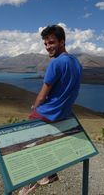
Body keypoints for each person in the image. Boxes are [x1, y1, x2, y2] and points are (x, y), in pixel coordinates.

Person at [18, 24, 82, 195]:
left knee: (26, 142)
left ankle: (38, 178)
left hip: (48, 112)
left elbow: (43, 94)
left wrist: (35, 107)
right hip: (64, 114)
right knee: (44, 142)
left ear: (62, 41)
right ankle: (47, 175)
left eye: (51, 43)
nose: (48, 47)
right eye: (45, 44)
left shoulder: (55, 64)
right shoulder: (76, 63)